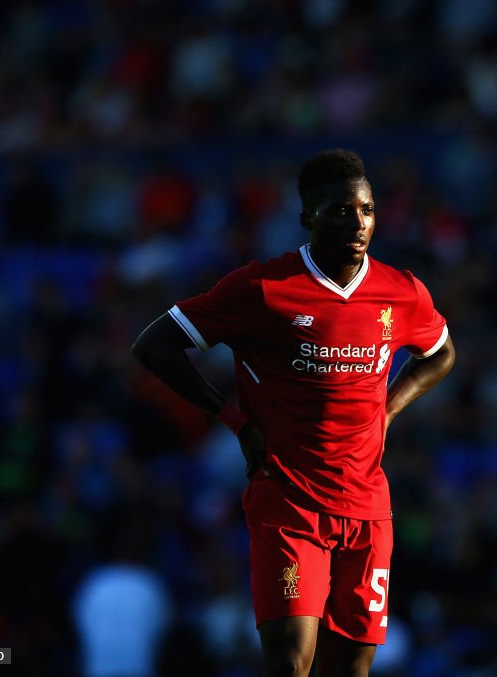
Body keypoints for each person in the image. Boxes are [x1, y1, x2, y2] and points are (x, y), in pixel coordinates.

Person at [131, 149, 455, 677]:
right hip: (288, 502)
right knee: (290, 660)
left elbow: (440, 353)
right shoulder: (262, 290)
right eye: (341, 210)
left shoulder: (401, 292)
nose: (358, 223)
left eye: (367, 210)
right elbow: (154, 346)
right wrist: (235, 422)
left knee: (350, 669)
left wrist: (388, 411)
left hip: (367, 508)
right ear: (307, 218)